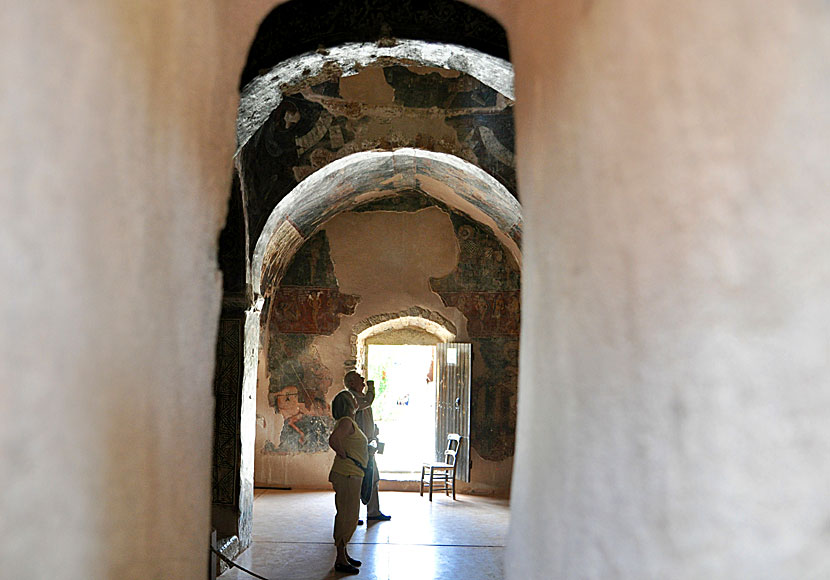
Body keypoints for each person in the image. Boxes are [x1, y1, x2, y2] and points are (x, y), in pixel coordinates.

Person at [328, 390, 367, 575]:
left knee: (348, 515)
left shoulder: (349, 422)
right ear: (348, 404)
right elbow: (334, 439)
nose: (355, 398)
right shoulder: (346, 421)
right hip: (347, 474)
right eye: (352, 398)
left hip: (351, 474)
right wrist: (344, 454)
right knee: (347, 516)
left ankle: (343, 554)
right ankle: (340, 559)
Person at [344, 370, 391, 521]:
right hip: (358, 447)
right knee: (357, 481)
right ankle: (353, 515)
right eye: (359, 378)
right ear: (351, 383)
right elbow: (368, 402)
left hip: (366, 446)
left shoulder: (359, 398)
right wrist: (371, 387)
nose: (363, 379)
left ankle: (373, 512)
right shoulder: (352, 398)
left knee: (372, 478)